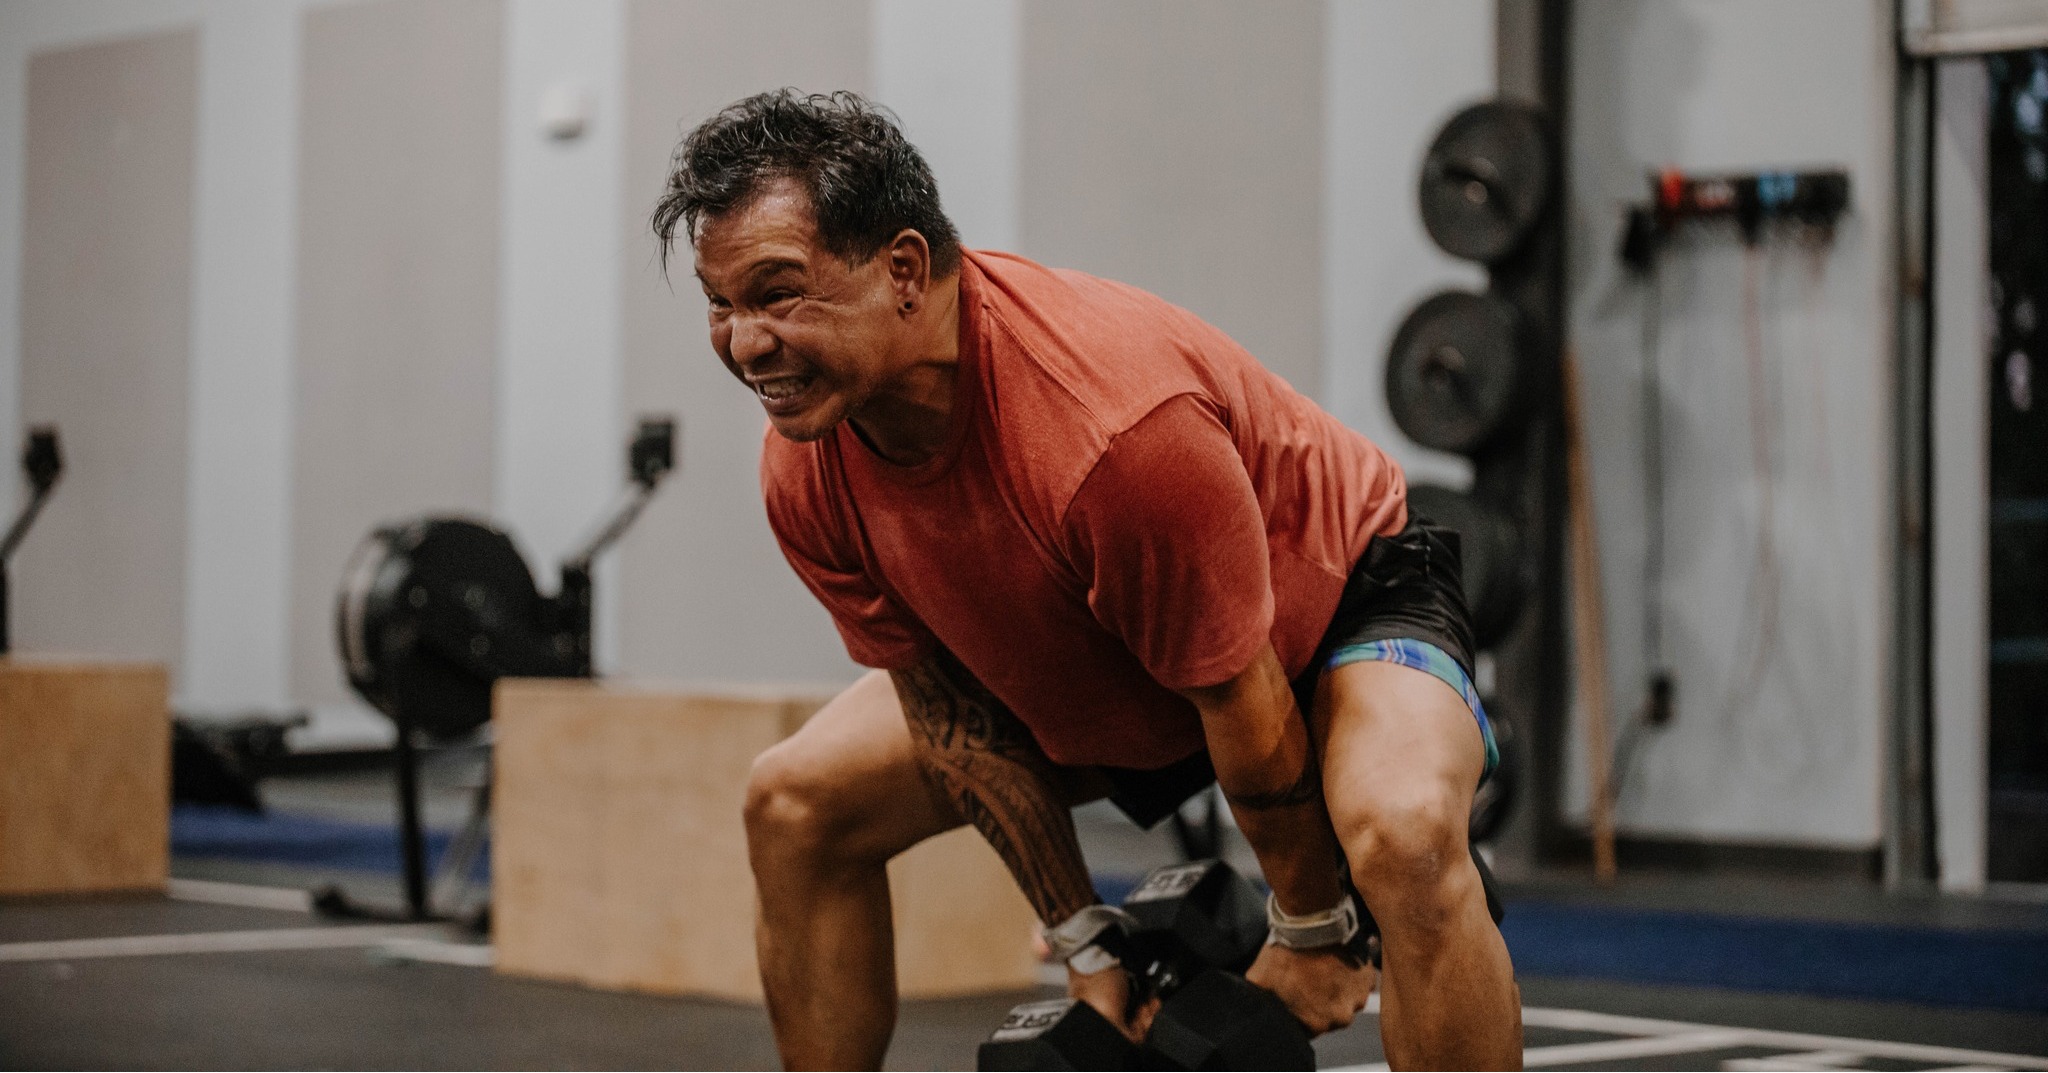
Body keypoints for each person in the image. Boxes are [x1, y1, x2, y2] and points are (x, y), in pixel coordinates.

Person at [652, 89, 1522, 1071]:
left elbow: (1237, 689)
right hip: (1109, 648)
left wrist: (1314, 922)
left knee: (1405, 836)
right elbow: (952, 721)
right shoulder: (807, 468)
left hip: (1335, 604)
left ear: (902, 270)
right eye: (720, 304)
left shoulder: (1106, 429)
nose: (745, 343)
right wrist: (1084, 941)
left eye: (777, 294)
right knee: (793, 804)